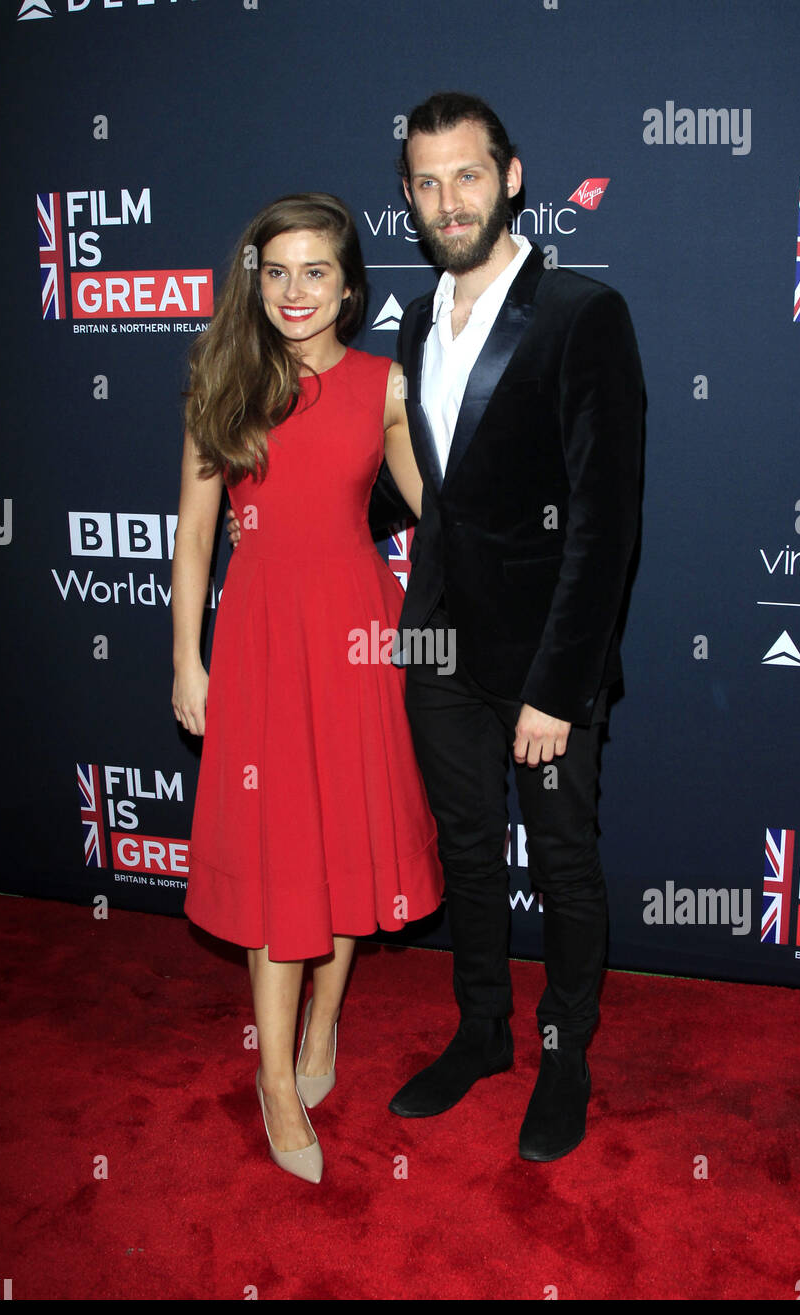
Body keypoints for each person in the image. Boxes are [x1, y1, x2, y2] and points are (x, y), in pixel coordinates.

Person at [380, 92, 645, 1161]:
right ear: (407, 197)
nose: (449, 200)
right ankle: (481, 1031)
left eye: (467, 175)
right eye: (427, 182)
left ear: (512, 177)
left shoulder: (582, 315)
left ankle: (562, 1052)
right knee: (466, 851)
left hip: (542, 664)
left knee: (565, 861)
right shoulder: (409, 319)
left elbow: (604, 520)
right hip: (436, 643)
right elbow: (424, 491)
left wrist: (557, 687)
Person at [171, 192, 443, 1185]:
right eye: (275, 271)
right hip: (258, 641)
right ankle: (275, 1081)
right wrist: (185, 660)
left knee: (340, 849)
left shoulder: (382, 384)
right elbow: (195, 534)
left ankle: (326, 1021)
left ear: (347, 285)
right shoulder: (225, 379)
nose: (294, 291)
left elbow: (436, 511)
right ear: (256, 280)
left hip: (358, 636)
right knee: (283, 854)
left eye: (315, 272)